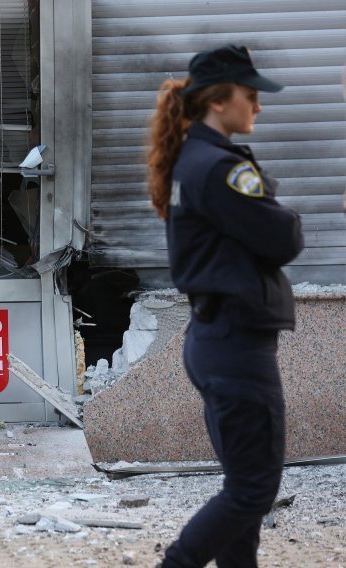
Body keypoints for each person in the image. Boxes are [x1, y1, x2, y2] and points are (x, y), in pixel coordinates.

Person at [147, 45, 304, 567]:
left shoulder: (198, 160)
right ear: (218, 101)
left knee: (244, 489)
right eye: (250, 96)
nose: (257, 108)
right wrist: (283, 216)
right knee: (254, 490)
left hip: (220, 339)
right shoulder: (218, 167)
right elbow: (282, 239)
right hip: (235, 345)